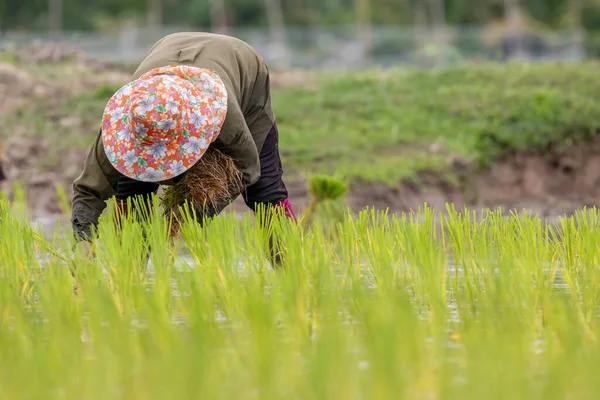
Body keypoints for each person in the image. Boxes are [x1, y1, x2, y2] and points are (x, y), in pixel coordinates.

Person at [70, 32, 297, 262]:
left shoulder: (228, 122)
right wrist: (83, 242)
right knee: (132, 189)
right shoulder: (127, 120)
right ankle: (127, 279)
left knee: (266, 191)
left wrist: (189, 213)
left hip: (241, 66)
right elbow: (89, 189)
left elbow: (248, 169)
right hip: (168, 50)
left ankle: (292, 273)